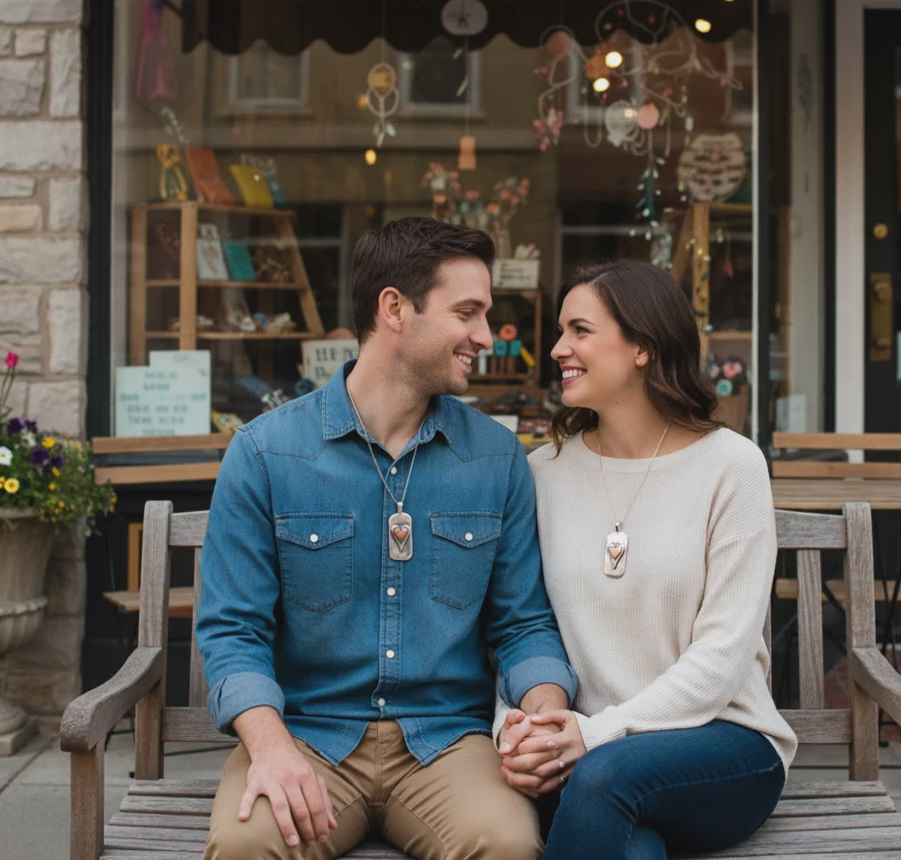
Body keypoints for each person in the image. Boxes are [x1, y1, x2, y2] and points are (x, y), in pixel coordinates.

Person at [197, 217, 577, 860]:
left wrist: (544, 712)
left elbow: (523, 624)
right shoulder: (265, 453)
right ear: (395, 309)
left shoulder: (495, 458)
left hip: (446, 745)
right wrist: (269, 749)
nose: (484, 336)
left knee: (508, 844)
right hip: (308, 737)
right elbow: (233, 633)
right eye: (467, 313)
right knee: (245, 848)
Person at [497, 259, 797, 860]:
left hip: (720, 743)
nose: (558, 349)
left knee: (606, 780)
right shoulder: (542, 472)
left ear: (643, 346)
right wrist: (512, 725)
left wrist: (596, 734)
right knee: (630, 847)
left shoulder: (731, 467)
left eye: (580, 330)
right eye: (561, 331)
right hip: (579, 754)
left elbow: (720, 658)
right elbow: (518, 624)